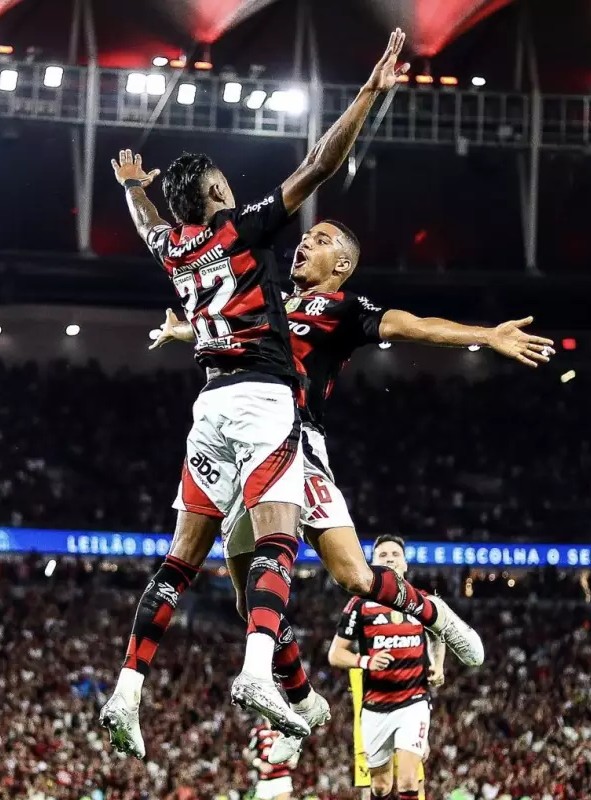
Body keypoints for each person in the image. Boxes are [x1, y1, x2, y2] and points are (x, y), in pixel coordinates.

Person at [100, 29, 409, 757]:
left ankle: (127, 690)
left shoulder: (174, 248)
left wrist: (135, 190)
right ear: (215, 194)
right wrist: (367, 95)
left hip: (207, 407)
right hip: (265, 398)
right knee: (277, 538)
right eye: (223, 183)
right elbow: (318, 162)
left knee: (181, 559)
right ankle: (256, 671)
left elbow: (149, 228)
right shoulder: (240, 230)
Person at [152, 217, 553, 759]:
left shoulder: (341, 308)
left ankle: (434, 614)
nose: (304, 243)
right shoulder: (268, 300)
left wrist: (485, 335)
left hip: (296, 443)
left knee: (355, 577)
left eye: (320, 240)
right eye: (305, 236)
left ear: (341, 264)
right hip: (246, 445)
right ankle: (303, 702)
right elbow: (225, 333)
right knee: (249, 601)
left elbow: (412, 325)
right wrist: (185, 332)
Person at [329, 536, 444, 800]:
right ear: (373, 565)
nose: (390, 558)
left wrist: (438, 664)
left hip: (414, 702)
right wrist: (366, 661)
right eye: (382, 555)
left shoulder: (423, 601)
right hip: (375, 706)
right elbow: (335, 654)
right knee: (381, 786)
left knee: (408, 780)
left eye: (395, 554)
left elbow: (440, 634)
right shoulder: (360, 604)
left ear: (405, 563)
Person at [245, 721, 298, 800]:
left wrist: (294, 759)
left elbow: (296, 747)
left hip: (282, 776)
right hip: (264, 778)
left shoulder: (286, 730)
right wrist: (259, 764)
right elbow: (247, 753)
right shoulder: (258, 731)